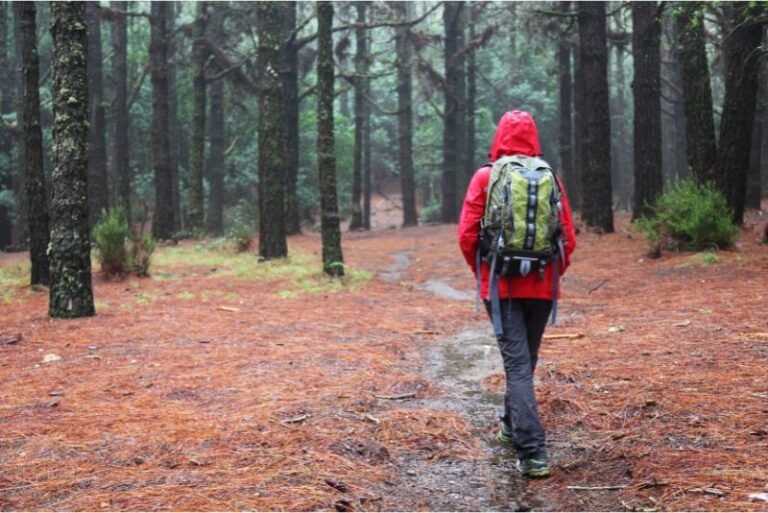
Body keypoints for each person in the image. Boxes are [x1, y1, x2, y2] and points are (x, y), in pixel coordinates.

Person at [457, 110, 576, 478]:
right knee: (527, 361)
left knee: (518, 366)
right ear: (534, 138)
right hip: (541, 287)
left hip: (501, 287)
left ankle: (532, 452)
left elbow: (467, 234)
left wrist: (485, 272)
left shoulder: (486, 176)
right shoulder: (548, 176)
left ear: (499, 137)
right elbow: (568, 239)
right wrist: (548, 274)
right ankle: (511, 423)